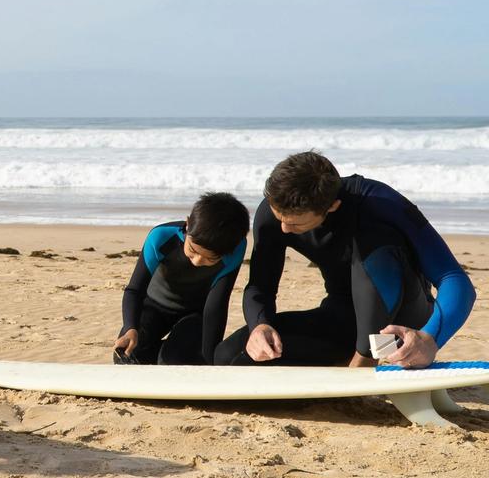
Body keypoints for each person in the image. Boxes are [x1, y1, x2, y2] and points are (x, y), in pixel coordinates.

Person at [215, 151, 476, 369]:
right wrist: (260, 326)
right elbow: (261, 285)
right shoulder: (275, 213)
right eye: (278, 216)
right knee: (229, 357)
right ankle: (349, 359)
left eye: (294, 222)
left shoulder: (382, 204)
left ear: (331, 207)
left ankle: (365, 361)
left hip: (399, 326)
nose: (283, 227)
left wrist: (430, 339)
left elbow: (453, 279)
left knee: (373, 243)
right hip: (341, 319)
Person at [114, 192, 249, 365]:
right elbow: (135, 290)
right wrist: (130, 328)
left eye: (210, 258)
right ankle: (171, 350)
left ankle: (175, 351)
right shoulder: (161, 236)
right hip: (154, 307)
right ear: (187, 225)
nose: (197, 261)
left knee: (171, 362)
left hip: (194, 314)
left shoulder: (235, 249)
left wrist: (209, 360)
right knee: (125, 356)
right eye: (193, 250)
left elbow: (216, 306)